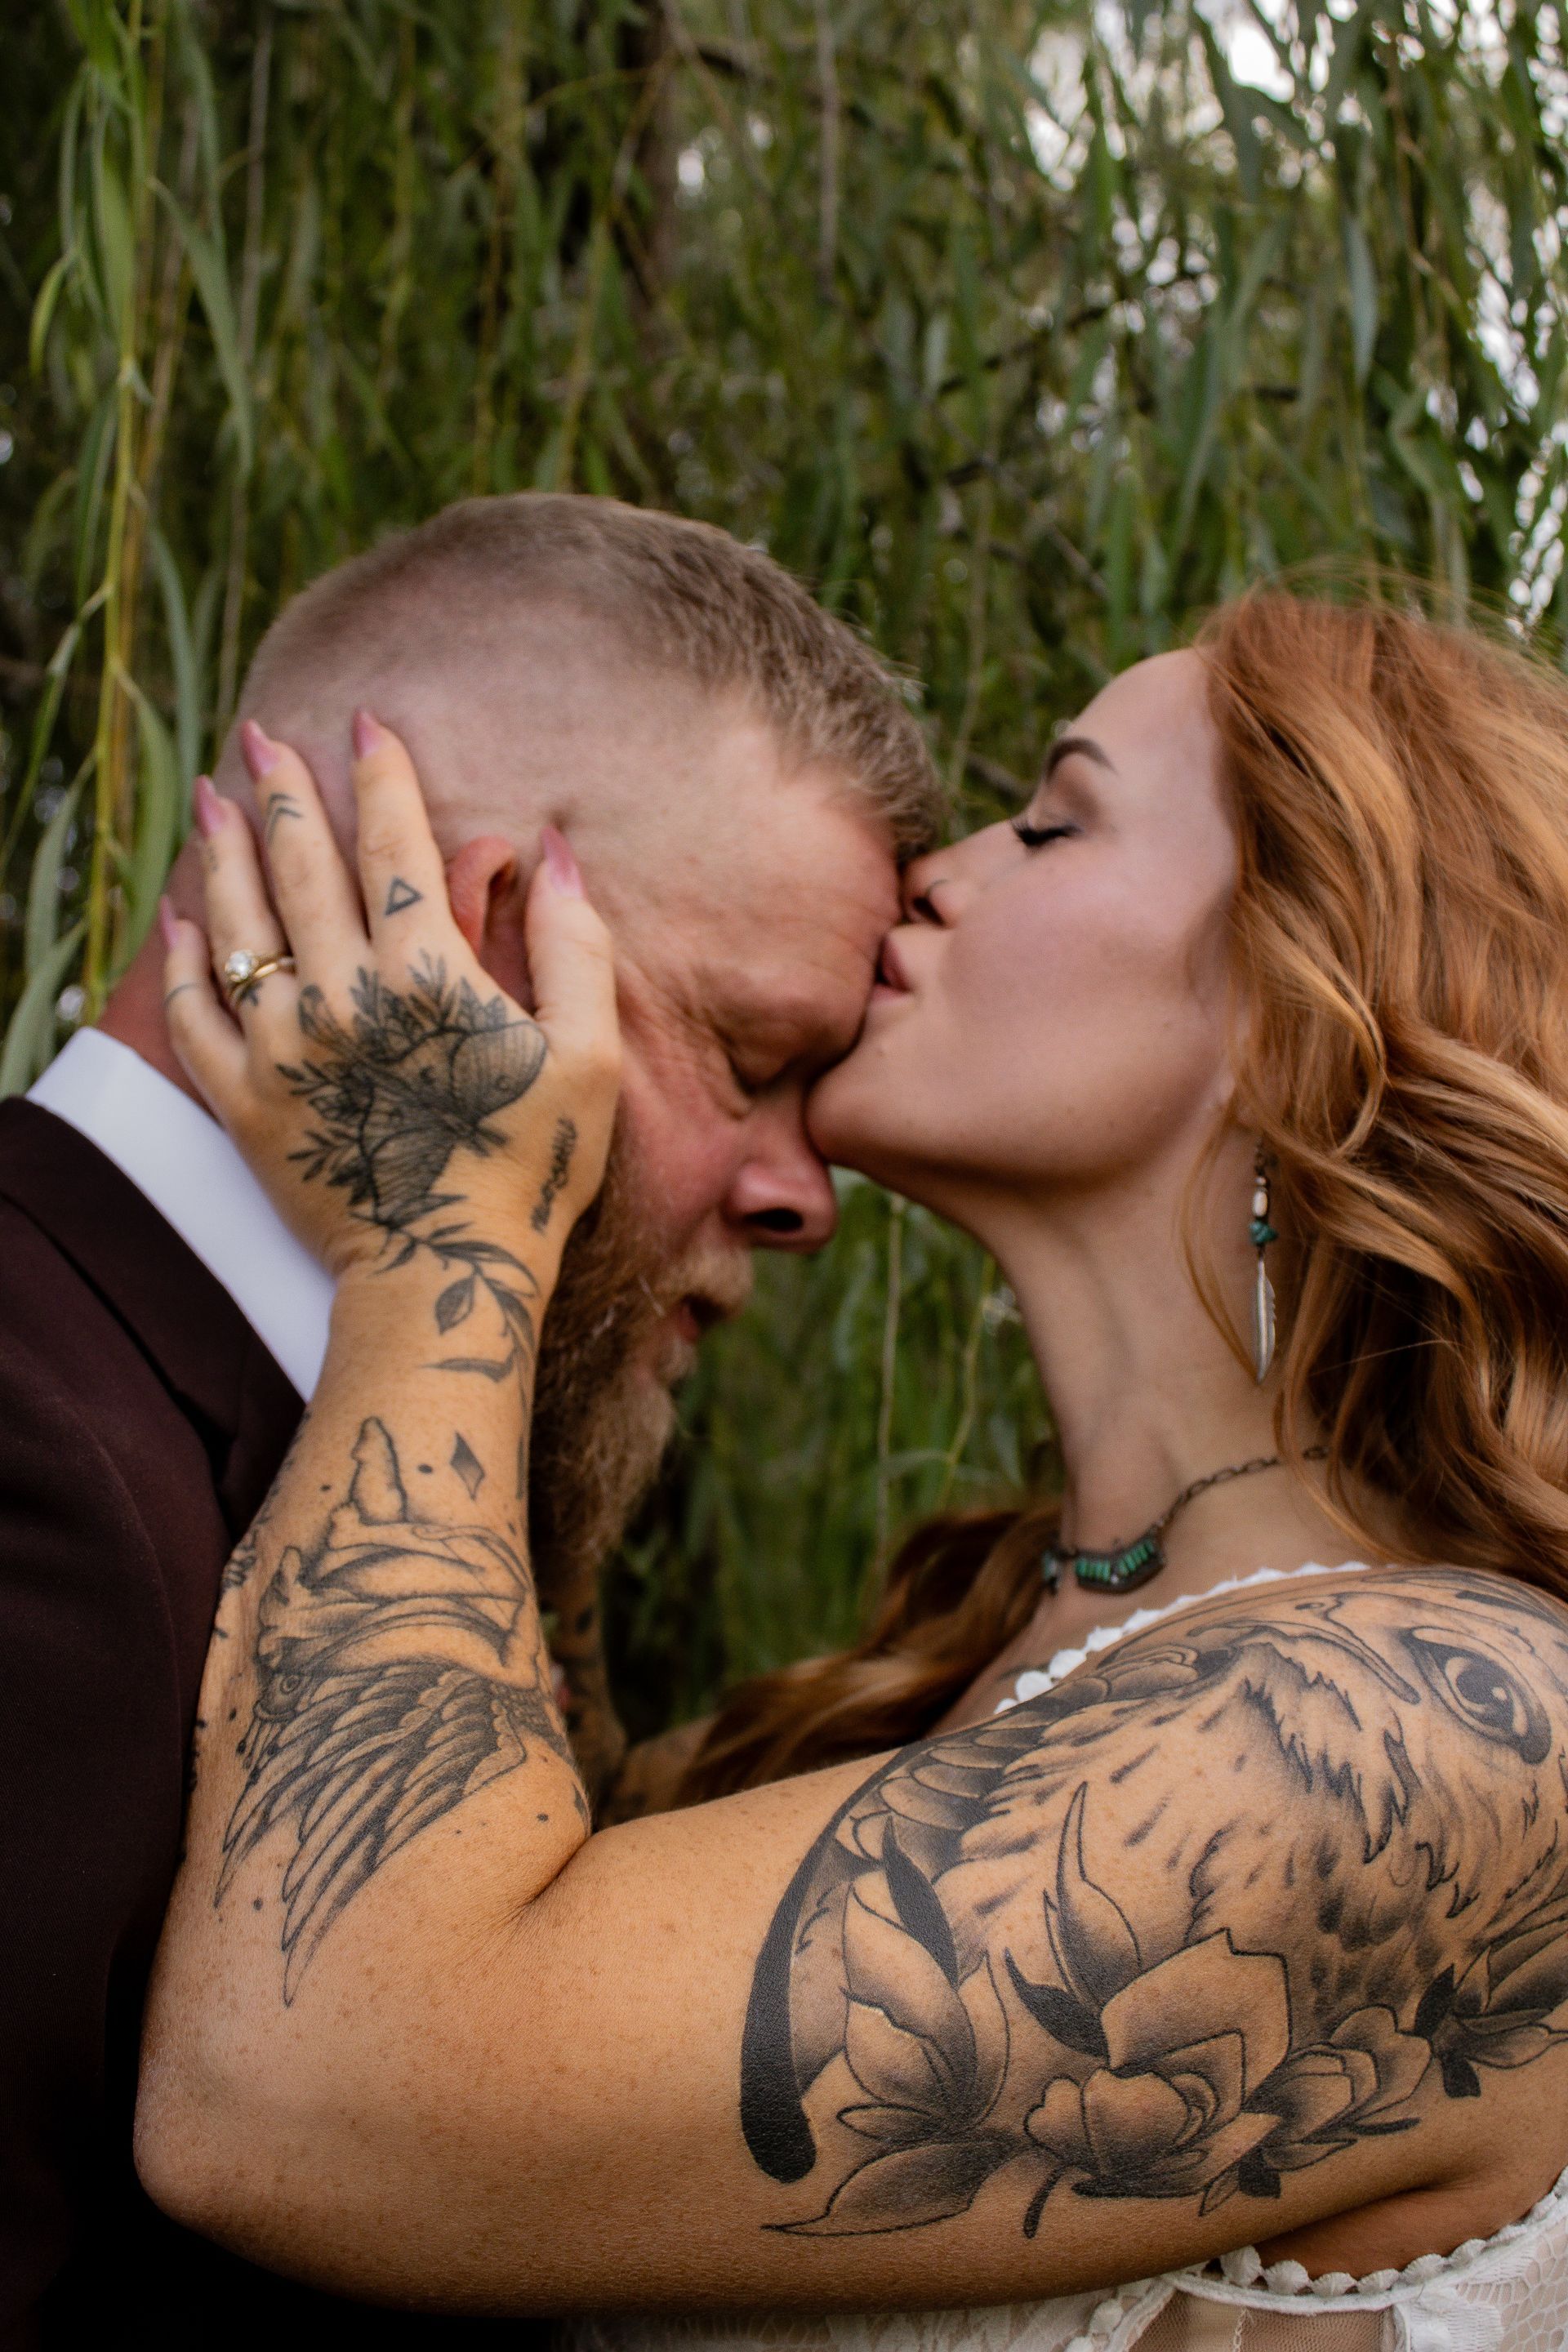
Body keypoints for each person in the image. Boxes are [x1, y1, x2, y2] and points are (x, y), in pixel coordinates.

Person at [137, 588, 1568, 2346]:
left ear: (1296, 999)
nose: (940, 874)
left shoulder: (1445, 1742)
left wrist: (441, 1235)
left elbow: (311, 2090)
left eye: (1055, 818)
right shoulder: (963, 1655)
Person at [0, 492, 936, 2345]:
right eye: (751, 1062)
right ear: (467, 942)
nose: (807, 1197)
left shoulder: (301, 1462)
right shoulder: (47, 1469)